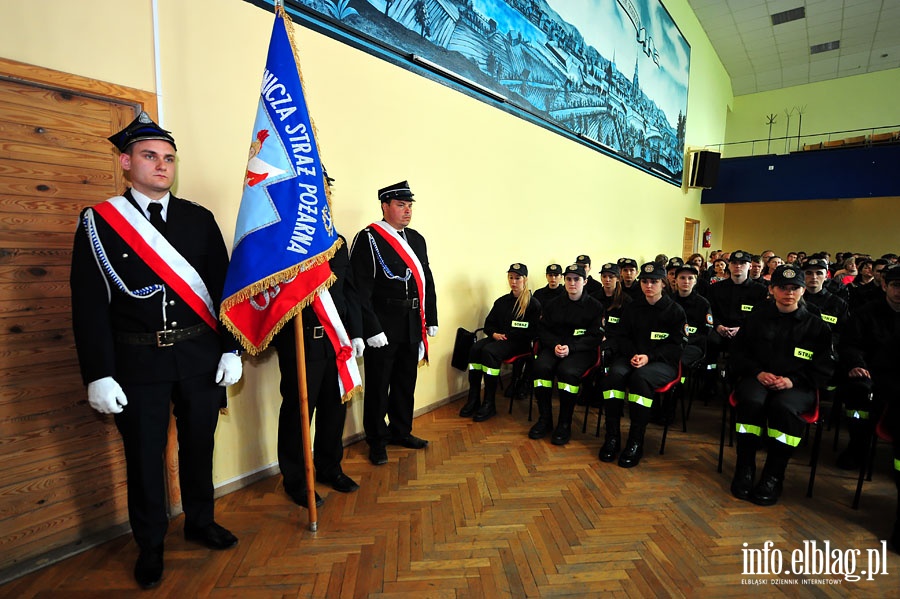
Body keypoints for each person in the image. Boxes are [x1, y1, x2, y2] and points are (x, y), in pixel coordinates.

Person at [69, 113, 242, 589]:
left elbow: (223, 288)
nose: (161, 166)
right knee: (144, 456)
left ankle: (200, 521)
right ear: (126, 162)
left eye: (168, 158)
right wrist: (98, 373)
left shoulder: (198, 218)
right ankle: (150, 544)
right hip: (137, 362)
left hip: (198, 357)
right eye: (150, 156)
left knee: (199, 445)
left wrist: (231, 349)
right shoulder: (100, 222)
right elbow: (88, 305)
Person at [272, 171, 365, 505]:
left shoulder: (335, 242)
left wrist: (355, 333)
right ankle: (297, 479)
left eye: (327, 189)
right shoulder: (283, 240)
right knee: (298, 411)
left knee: (334, 407)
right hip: (301, 342)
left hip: (335, 341)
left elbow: (349, 291)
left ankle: (329, 466)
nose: (323, 195)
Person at [729, 264, 834, 506]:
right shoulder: (756, 320)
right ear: (771, 290)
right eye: (783, 288)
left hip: (797, 386)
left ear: (803, 290)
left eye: (795, 288)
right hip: (758, 379)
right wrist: (757, 373)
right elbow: (738, 354)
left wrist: (792, 380)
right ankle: (745, 468)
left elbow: (823, 368)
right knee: (751, 402)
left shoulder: (817, 326)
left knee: (783, 409)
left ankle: (774, 475)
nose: (789, 293)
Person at [350, 180, 438, 466]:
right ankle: (376, 439)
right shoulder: (368, 239)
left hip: (412, 322)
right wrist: (370, 328)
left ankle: (402, 430)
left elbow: (427, 280)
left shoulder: (417, 239)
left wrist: (431, 318)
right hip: (383, 326)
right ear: (385, 206)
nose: (407, 211)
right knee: (378, 385)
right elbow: (359, 289)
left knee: (405, 381)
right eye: (401, 205)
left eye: (409, 205)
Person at [599, 262, 686, 468]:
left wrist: (649, 356)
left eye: (654, 281)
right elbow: (622, 336)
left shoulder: (675, 311)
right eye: (645, 281)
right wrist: (633, 354)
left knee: (640, 380)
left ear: (663, 283)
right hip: (632, 357)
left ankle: (635, 441)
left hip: (661, 363)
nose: (648, 286)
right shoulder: (632, 307)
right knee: (614, 376)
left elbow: (676, 346)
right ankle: (612, 437)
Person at [839, 264, 900, 550]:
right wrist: (856, 365)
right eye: (895, 285)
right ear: (886, 286)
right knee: (857, 395)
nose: (899, 292)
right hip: (872, 374)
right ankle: (857, 445)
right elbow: (850, 345)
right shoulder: (866, 313)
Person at [530, 264, 604, 445]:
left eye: (577, 279)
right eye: (569, 279)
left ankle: (564, 424)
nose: (572, 283)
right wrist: (555, 344)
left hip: (581, 351)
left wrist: (571, 347)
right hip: (555, 347)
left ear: (585, 281)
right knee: (540, 368)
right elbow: (543, 329)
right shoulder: (553, 304)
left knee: (567, 372)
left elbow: (595, 336)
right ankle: (545, 419)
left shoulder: (595, 306)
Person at [460, 263, 541, 421]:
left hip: (519, 343)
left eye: (517, 278)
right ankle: (474, 398)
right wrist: (494, 333)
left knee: (489, 352)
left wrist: (510, 335)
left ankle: (489, 403)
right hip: (499, 339)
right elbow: (489, 323)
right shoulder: (502, 302)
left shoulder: (533, 304)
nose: (514, 281)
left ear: (525, 279)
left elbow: (533, 332)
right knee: (476, 348)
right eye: (511, 277)